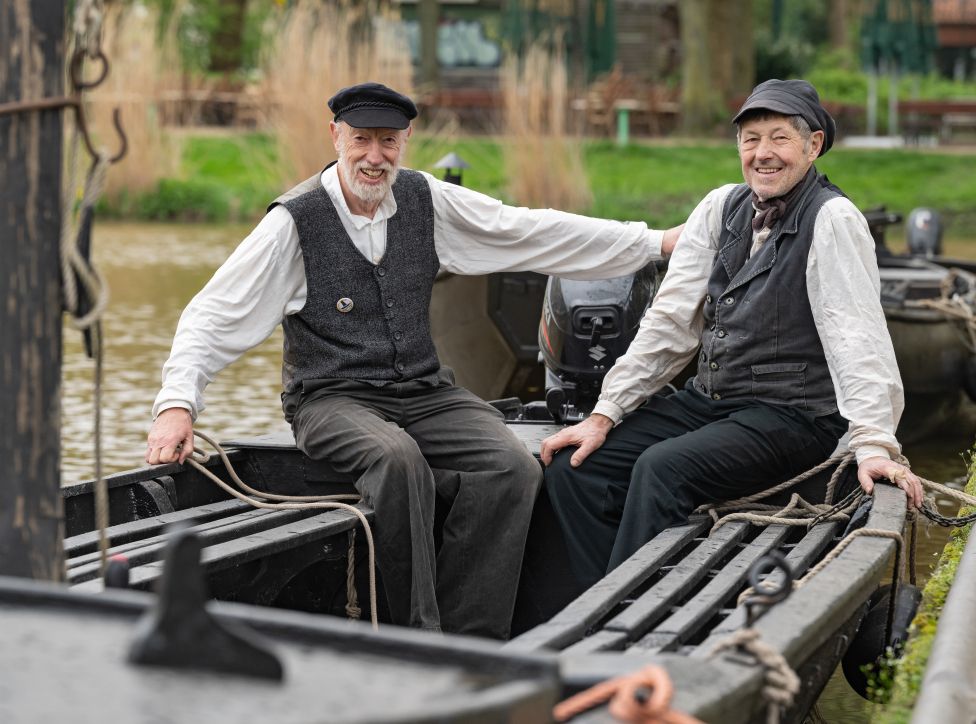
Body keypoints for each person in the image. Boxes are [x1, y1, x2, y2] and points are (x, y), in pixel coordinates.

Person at [145, 82, 683, 639]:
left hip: (425, 392)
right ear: (336, 137)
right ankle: (415, 636)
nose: (374, 157)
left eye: (388, 141)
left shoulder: (427, 200)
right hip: (330, 399)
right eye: (361, 140)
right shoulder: (294, 222)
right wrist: (177, 404)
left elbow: (526, 230)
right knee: (397, 461)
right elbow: (213, 314)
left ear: (406, 140)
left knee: (512, 467)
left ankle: (471, 639)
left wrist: (654, 243)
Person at [540, 79, 925, 593]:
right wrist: (605, 413)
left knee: (662, 468)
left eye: (779, 138)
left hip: (792, 416)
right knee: (576, 469)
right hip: (711, 403)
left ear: (813, 146)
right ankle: (593, 600)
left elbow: (857, 338)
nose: (762, 153)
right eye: (750, 139)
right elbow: (670, 322)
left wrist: (874, 443)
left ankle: (625, 620)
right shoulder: (720, 207)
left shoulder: (833, 219)